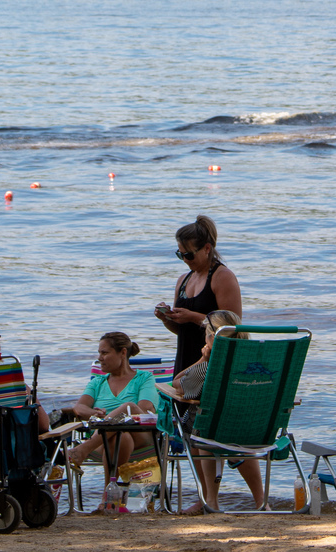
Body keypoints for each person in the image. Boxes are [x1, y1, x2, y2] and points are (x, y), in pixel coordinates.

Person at [169, 310, 265, 513]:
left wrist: (203, 359)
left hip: (210, 433)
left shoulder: (209, 367)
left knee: (198, 426)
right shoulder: (257, 365)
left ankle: (210, 500)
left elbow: (177, 382)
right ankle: (261, 502)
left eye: (205, 332)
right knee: (219, 431)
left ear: (212, 337)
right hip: (254, 430)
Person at [67, 332, 159, 503]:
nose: (100, 357)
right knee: (120, 436)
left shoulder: (144, 378)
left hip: (142, 434)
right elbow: (78, 408)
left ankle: (84, 449)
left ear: (123, 353)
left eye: (104, 353)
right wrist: (93, 413)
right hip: (107, 441)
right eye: (99, 353)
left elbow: (145, 409)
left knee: (129, 407)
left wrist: (112, 416)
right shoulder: (98, 382)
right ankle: (109, 498)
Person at [155, 215, 244, 378]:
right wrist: (166, 318)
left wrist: (192, 317)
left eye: (189, 255)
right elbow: (182, 330)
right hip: (185, 362)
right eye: (180, 255)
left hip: (212, 364)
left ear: (207, 248)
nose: (185, 260)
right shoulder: (183, 280)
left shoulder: (222, 277)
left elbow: (233, 330)